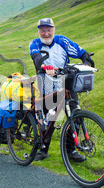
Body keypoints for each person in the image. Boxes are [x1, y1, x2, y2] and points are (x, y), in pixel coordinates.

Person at [29, 18, 94, 161]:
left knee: (75, 115)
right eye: (42, 30)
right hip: (45, 83)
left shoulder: (62, 41)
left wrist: (87, 62)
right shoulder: (35, 43)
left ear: (54, 30)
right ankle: (43, 148)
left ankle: (71, 151)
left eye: (49, 30)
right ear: (38, 31)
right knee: (47, 118)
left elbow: (81, 52)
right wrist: (44, 67)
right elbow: (36, 57)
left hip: (65, 83)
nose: (46, 33)